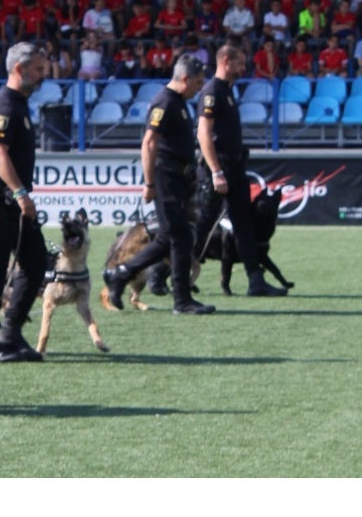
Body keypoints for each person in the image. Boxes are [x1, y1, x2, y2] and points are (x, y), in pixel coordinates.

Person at [104, 54, 213, 314]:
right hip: (166, 177)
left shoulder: (178, 102)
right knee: (179, 236)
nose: (200, 87)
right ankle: (182, 300)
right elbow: (149, 143)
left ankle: (120, 274)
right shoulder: (164, 102)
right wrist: (149, 183)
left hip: (179, 177)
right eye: (197, 82)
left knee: (167, 237)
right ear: (184, 78)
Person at [0, 41, 49, 362]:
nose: (44, 75)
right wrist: (20, 192)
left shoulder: (18, 103)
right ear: (20, 69)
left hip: (9, 199)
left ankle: (10, 332)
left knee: (35, 261)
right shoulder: (5, 105)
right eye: (39, 69)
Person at [193, 44, 288, 298]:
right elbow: (203, 134)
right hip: (220, 167)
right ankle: (167, 275)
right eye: (239, 62)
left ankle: (255, 281)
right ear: (226, 60)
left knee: (243, 224)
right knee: (204, 225)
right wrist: (215, 171)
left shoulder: (227, 91)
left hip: (234, 167)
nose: (244, 67)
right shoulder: (212, 91)